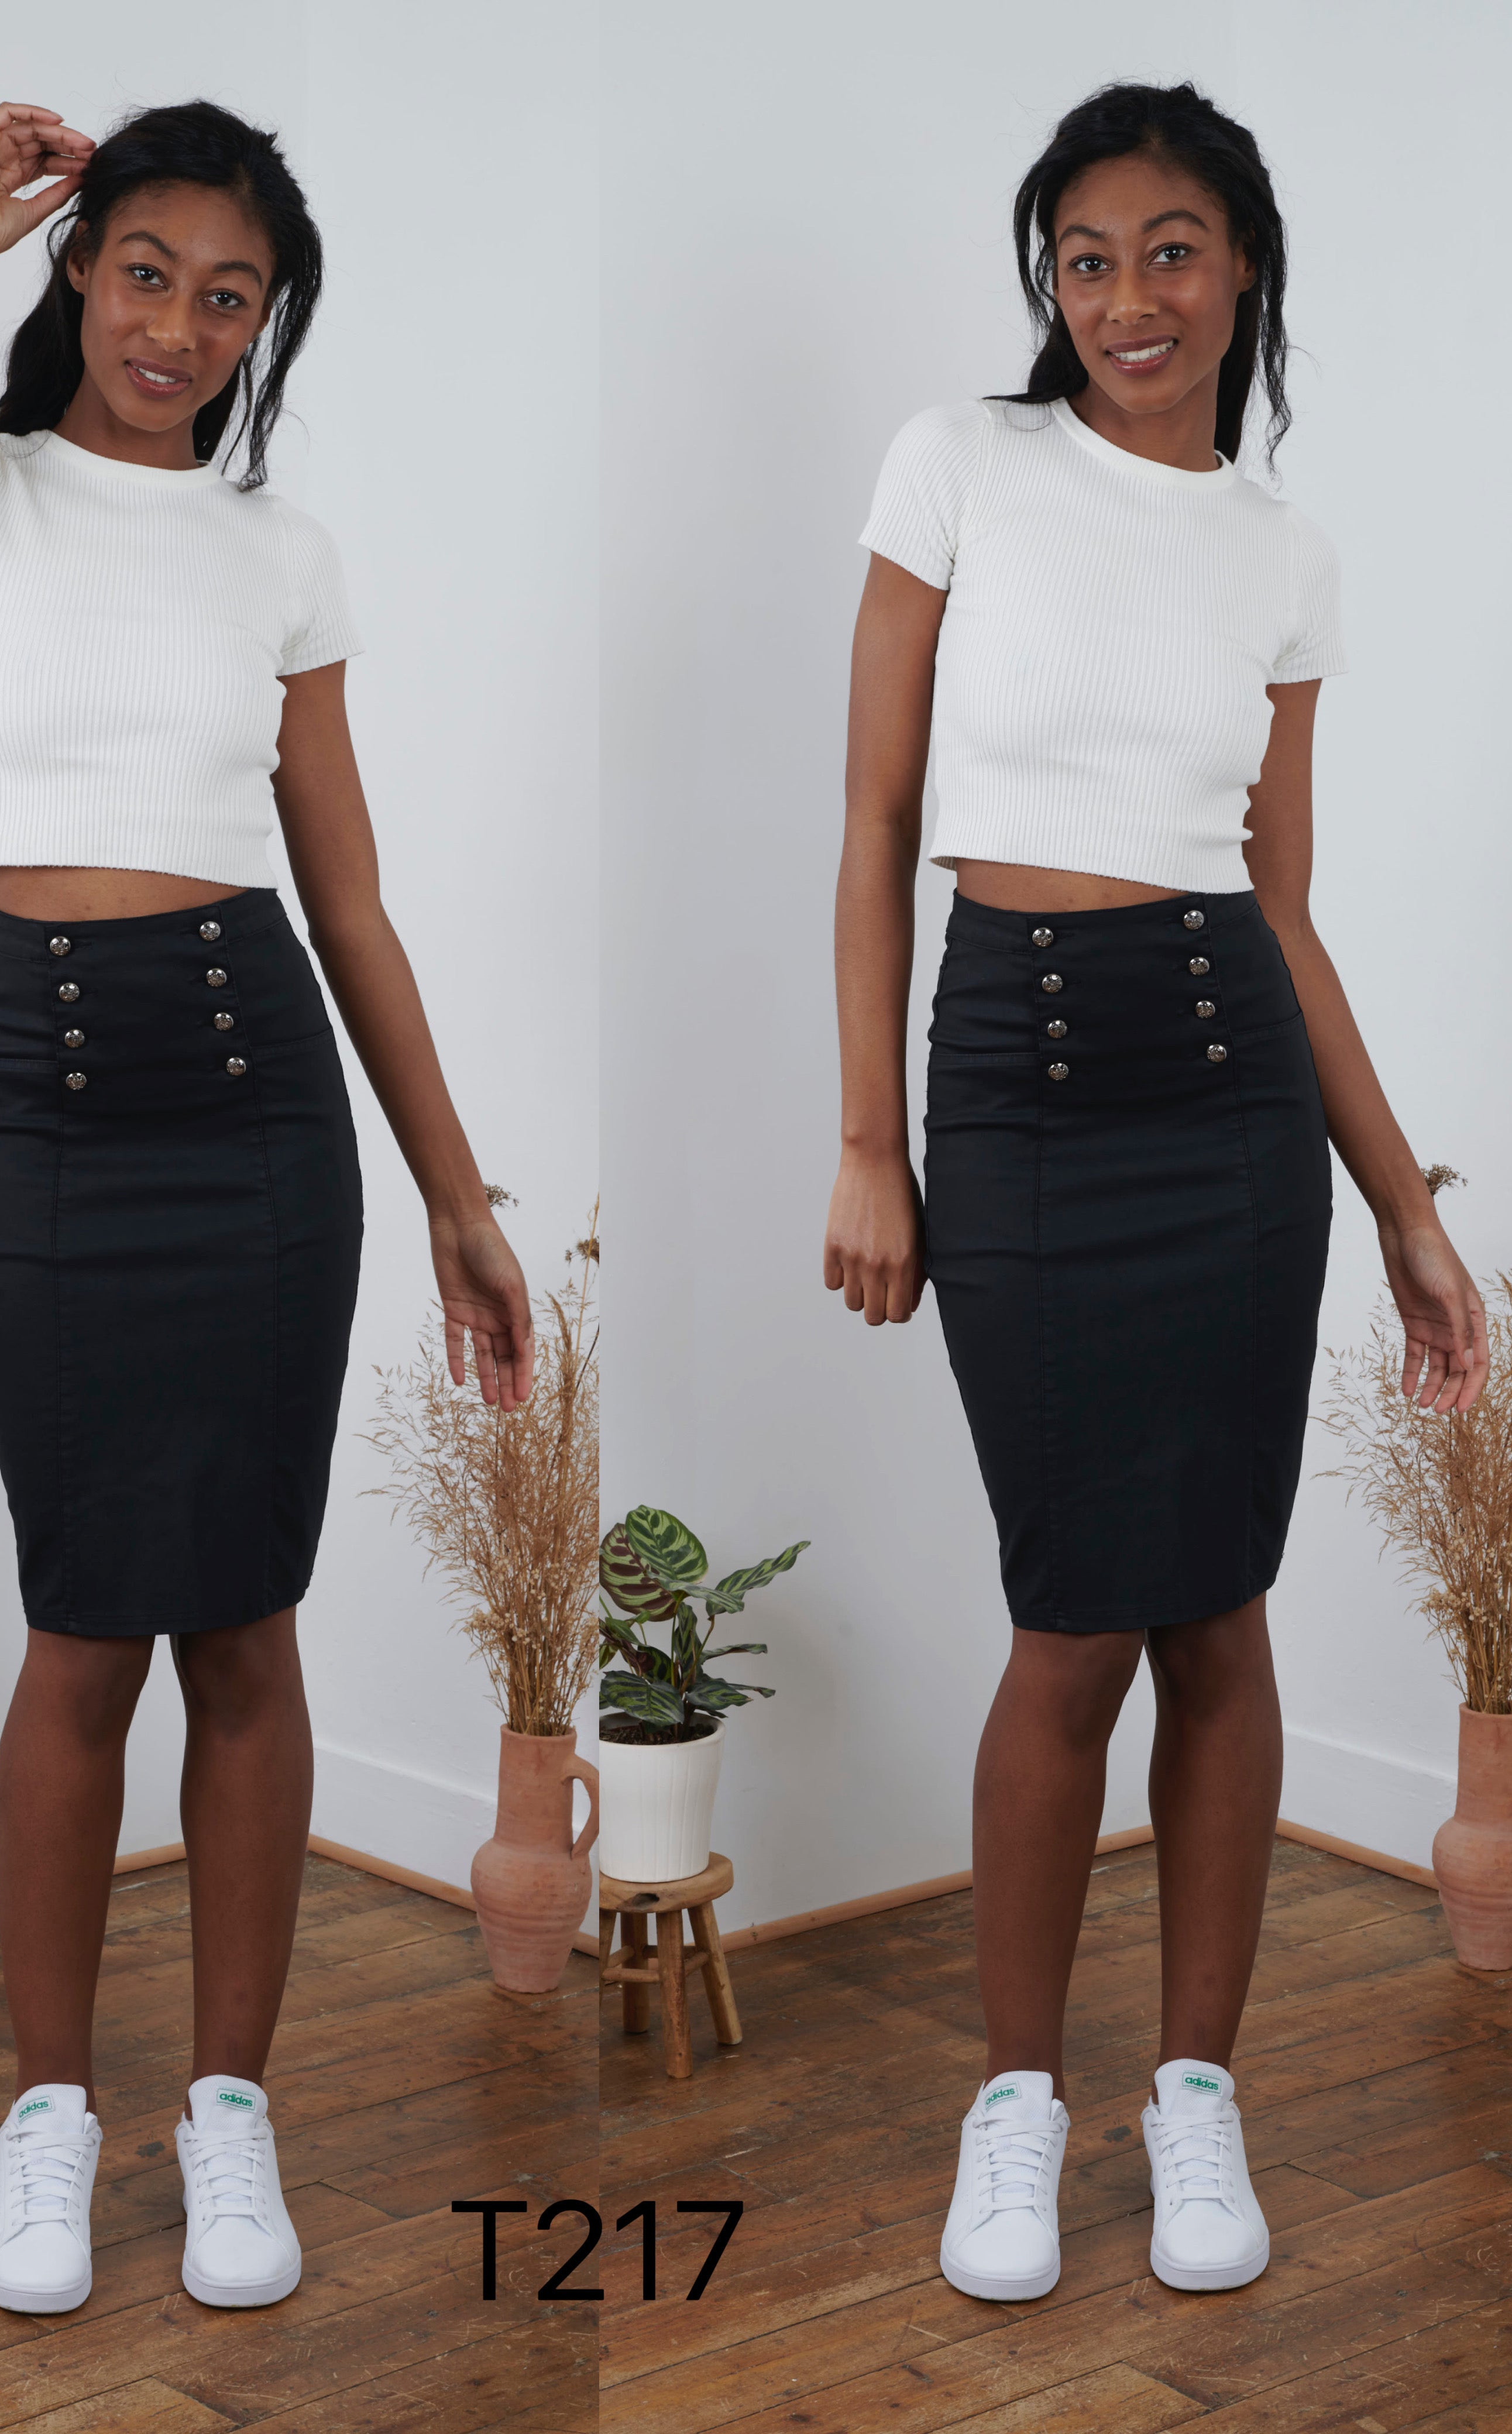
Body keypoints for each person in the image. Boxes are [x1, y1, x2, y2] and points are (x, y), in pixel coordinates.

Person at [0, 98, 534, 2316]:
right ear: (76, 271)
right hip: (46, 1108)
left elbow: (353, 905)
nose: (178, 325)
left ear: (267, 331)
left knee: (243, 1628)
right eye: (145, 271)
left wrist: (456, 1195)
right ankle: (48, 2115)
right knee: (83, 1627)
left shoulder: (284, 554)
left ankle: (228, 2112)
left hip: (261, 1108)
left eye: (228, 298)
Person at [823, 81, 1487, 2304]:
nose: (1127, 297)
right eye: (1086, 258)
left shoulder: (1282, 552)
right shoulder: (959, 464)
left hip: (1228, 1099)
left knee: (1217, 1614)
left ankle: (1195, 2091)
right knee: (1073, 1619)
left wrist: (1400, 1208)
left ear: (1242, 265)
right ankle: (1017, 2099)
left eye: (1170, 250)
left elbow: (1281, 912)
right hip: (1014, 1079)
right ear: (1050, 281)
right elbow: (874, 825)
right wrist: (869, 1138)